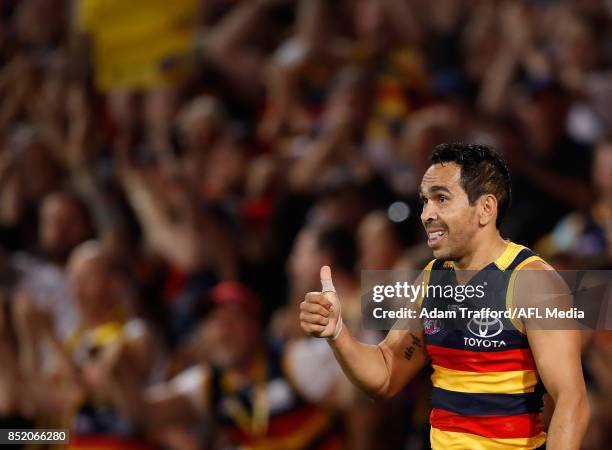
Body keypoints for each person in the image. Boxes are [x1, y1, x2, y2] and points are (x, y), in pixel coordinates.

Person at [300, 143, 590, 449]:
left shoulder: (533, 282)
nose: (427, 214)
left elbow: (572, 400)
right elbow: (386, 373)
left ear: (485, 209)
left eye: (441, 199)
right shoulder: (433, 278)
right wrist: (338, 333)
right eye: (425, 201)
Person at [108, 281, 346, 450]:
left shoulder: (295, 361)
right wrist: (118, 375)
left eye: (230, 320)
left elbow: (360, 405)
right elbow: (146, 414)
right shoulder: (209, 383)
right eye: (212, 323)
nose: (221, 331)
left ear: (255, 324)